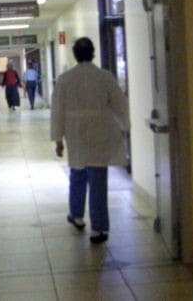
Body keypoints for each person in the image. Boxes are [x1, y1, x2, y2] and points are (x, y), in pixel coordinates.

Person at [50, 37, 130, 244]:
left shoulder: (65, 79)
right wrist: (125, 127)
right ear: (93, 53)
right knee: (98, 180)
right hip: (100, 131)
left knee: (77, 173)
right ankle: (98, 228)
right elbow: (120, 104)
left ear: (75, 55)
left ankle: (76, 215)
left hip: (75, 132)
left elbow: (57, 110)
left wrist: (58, 139)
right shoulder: (105, 77)